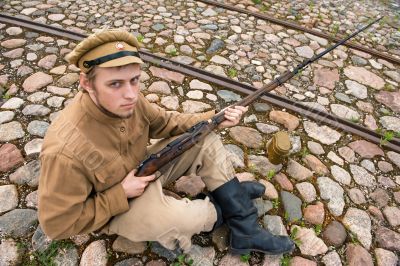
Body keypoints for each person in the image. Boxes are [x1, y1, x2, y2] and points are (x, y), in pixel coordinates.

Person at [38, 29, 294, 255]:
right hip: (116, 209)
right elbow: (57, 224)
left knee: (205, 137)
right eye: (115, 84)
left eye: (135, 80)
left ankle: (244, 226)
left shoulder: (129, 101)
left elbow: (166, 123)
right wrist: (120, 193)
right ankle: (228, 202)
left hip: (144, 169)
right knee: (183, 219)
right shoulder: (64, 151)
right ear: (86, 83)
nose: (130, 94)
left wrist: (215, 118)